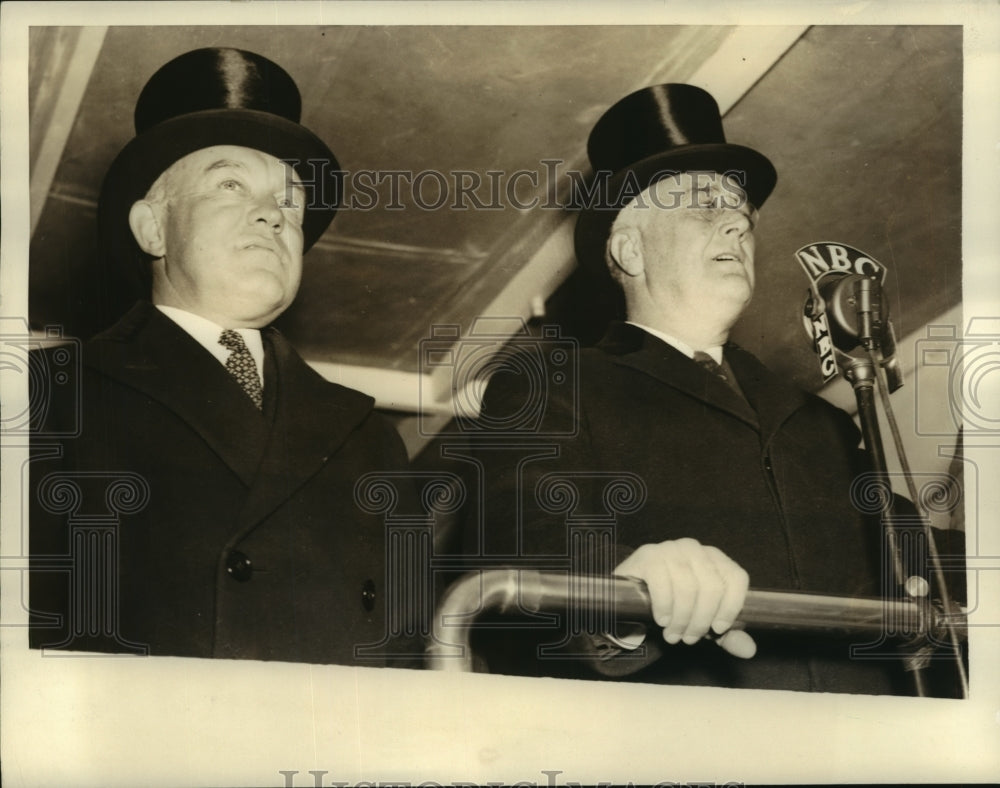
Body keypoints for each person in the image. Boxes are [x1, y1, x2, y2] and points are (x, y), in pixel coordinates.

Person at [463, 84, 964, 693]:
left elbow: (922, 553)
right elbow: (523, 549)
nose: (736, 222)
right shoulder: (551, 386)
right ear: (628, 249)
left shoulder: (821, 424)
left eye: (741, 214)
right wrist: (623, 589)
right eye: (704, 205)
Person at [28, 48, 415, 666]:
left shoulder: (371, 439)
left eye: (290, 200)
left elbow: (404, 661)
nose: (273, 214)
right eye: (230, 184)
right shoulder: (49, 396)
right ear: (153, 229)